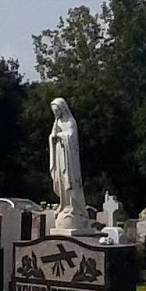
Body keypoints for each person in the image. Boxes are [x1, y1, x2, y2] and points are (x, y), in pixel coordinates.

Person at [48, 97, 88, 231]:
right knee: (60, 180)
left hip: (69, 160)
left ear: (62, 109)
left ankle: (73, 207)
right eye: (54, 112)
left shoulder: (70, 122)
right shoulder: (57, 122)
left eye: (57, 111)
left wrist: (60, 136)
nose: (56, 114)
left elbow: (71, 137)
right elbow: (52, 137)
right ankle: (64, 204)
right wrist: (53, 137)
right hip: (59, 156)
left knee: (68, 181)